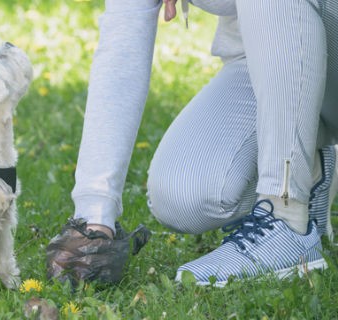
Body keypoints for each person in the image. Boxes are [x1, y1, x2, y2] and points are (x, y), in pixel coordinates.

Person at [46, 0, 338, 286]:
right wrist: (95, 216)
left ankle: (285, 211)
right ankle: (309, 173)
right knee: (183, 196)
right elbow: (123, 42)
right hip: (269, 62)